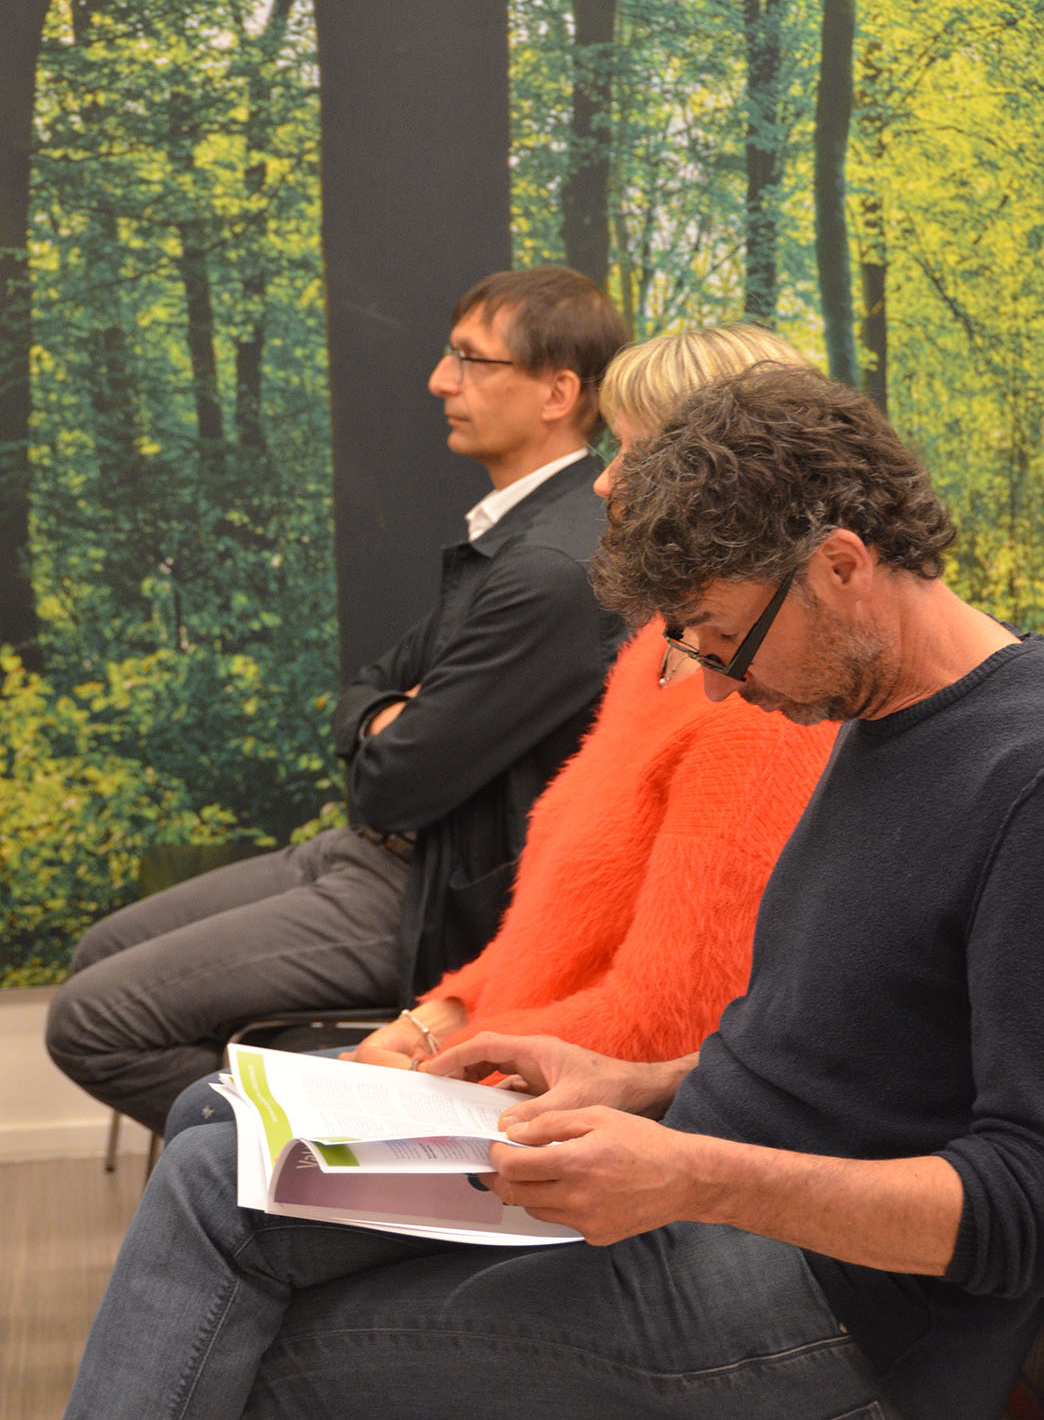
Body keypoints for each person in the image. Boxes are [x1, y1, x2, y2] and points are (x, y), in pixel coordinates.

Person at [63, 364, 1044, 1420]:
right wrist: (642, 1083)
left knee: (251, 1349)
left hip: (846, 1310)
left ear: (841, 564)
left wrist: (695, 1172)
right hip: (712, 1185)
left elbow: (1023, 1204)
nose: (718, 683)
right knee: (220, 1171)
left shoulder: (1019, 778)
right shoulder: (868, 702)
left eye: (724, 638)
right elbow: (854, 1054)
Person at [160, 325, 834, 1143]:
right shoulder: (653, 655)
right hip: (500, 1053)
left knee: (210, 1134)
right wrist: (430, 1021)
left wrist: (448, 1063)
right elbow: (542, 941)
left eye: (632, 454)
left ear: (725, 485)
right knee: (207, 1112)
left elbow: (669, 1022)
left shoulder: (758, 715)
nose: (603, 481)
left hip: (578, 1108)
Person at [46, 265, 630, 1137]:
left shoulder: (551, 565)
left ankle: (324, 1165)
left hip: (425, 885)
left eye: (471, 360)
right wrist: (390, 712)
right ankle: (265, 1164)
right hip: (372, 850)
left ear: (558, 392)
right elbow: (366, 686)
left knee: (93, 1021)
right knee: (101, 952)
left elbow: (392, 781)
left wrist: (397, 719)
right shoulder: (511, 534)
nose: (440, 381)